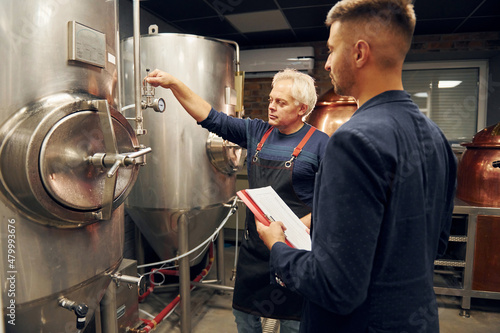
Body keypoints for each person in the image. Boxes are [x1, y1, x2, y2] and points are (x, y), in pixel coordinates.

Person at [256, 1, 458, 332]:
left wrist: (277, 246)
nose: (327, 65)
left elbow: (335, 288)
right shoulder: (436, 137)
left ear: (360, 53)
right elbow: (435, 244)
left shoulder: (352, 141)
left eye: (332, 50)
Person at [145, 68, 329, 333]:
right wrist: (174, 83)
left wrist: (302, 225)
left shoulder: (322, 145)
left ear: (302, 108)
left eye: (281, 102)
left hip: (295, 254)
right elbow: (210, 117)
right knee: (246, 321)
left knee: (293, 325)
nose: (272, 107)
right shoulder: (257, 132)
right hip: (254, 254)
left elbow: (333, 202)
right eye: (270, 100)